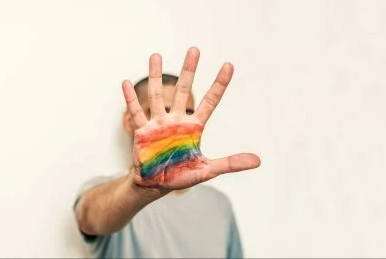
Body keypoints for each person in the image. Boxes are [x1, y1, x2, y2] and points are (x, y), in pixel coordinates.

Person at [73, 47, 261, 258]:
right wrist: (140, 189)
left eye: (186, 114)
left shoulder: (219, 205)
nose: (172, 127)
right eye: (159, 112)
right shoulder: (108, 193)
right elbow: (89, 217)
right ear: (129, 122)